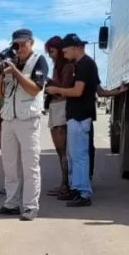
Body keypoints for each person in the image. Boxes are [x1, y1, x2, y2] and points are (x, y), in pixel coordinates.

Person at [0, 29, 49, 220]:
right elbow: (2, 93)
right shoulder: (11, 62)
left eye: (21, 44)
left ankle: (30, 207)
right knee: (9, 164)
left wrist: (15, 72)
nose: (18, 48)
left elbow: (35, 88)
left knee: (30, 165)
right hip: (9, 118)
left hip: (28, 119)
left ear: (31, 42)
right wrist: (1, 74)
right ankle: (11, 203)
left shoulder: (39, 61)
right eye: (15, 45)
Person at [46, 33, 100, 207]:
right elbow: (99, 89)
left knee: (80, 156)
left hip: (80, 116)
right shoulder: (82, 64)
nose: (64, 53)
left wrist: (55, 89)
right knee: (74, 155)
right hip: (75, 116)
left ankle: (83, 193)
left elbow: (77, 91)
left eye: (65, 49)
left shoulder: (85, 64)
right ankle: (77, 189)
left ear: (75, 47)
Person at [44, 36, 74, 196]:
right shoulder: (59, 66)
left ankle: (66, 185)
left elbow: (65, 88)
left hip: (61, 107)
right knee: (60, 151)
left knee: (63, 151)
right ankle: (64, 184)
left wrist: (49, 82)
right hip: (56, 107)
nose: (50, 55)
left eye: (52, 51)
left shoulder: (67, 66)